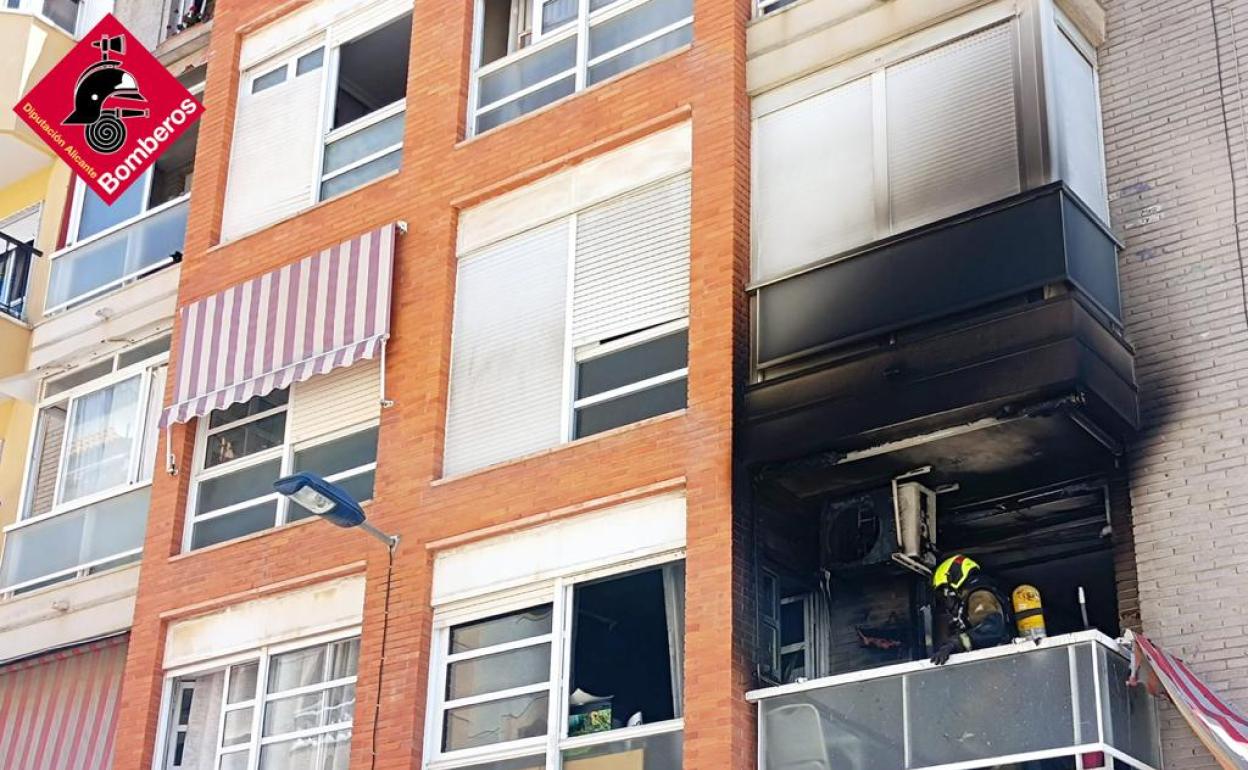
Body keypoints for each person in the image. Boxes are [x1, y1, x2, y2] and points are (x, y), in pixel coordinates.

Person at [929, 554, 1013, 665]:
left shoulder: (978, 597)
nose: (946, 602)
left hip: (1000, 665)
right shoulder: (984, 591)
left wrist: (955, 643)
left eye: (944, 593)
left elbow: (992, 628)